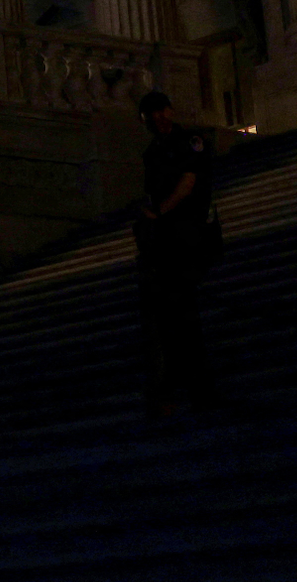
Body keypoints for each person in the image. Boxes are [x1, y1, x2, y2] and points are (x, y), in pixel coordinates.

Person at [134, 91, 217, 416]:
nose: (157, 118)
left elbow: (189, 183)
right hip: (164, 241)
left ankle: (196, 386)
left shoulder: (189, 141)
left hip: (185, 234)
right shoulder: (153, 150)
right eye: (150, 114)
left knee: (183, 313)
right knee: (167, 317)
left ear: (169, 110)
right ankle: (177, 386)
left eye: (159, 111)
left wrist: (161, 213)